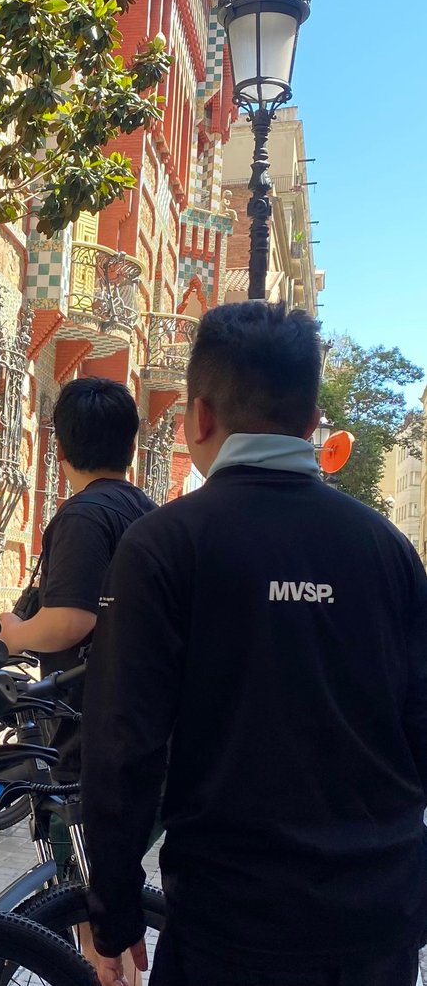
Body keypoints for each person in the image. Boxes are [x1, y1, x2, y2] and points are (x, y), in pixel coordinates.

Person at [82, 301, 427, 986]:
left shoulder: (164, 546)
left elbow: (123, 747)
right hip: (377, 924)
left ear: (198, 417)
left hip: (231, 928)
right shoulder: (388, 550)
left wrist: (113, 914)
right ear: (311, 422)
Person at [0, 376, 155, 782]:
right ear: (131, 448)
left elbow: (69, 620)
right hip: (141, 718)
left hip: (90, 729)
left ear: (60, 449)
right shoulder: (148, 512)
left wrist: (14, 635)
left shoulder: (84, 516)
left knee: (70, 821)